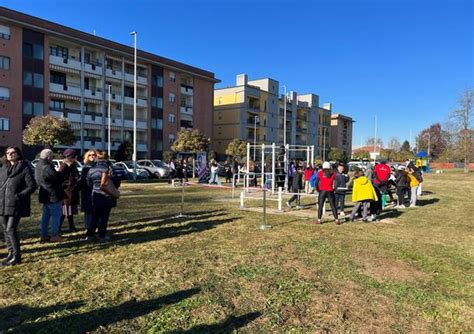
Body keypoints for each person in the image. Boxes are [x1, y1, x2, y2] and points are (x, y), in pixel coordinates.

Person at [0, 147, 36, 266]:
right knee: (5, 230)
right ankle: (10, 254)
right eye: (8, 153)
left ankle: (17, 256)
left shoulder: (24, 168)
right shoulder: (3, 168)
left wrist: (19, 196)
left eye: (13, 153)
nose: (10, 155)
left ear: (18, 154)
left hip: (16, 204)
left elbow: (31, 186)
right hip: (2, 204)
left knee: (11, 229)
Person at [85, 151, 120, 242]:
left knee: (95, 216)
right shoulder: (109, 168)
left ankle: (90, 235)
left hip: (95, 194)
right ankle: (102, 235)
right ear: (107, 158)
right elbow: (116, 181)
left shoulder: (92, 169)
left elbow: (88, 182)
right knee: (104, 217)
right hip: (107, 194)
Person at [35, 149, 65, 243]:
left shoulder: (38, 165)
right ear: (48, 157)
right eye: (52, 157)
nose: (52, 159)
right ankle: (54, 235)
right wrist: (62, 169)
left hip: (44, 194)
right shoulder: (47, 167)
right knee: (56, 216)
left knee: (45, 216)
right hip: (52, 194)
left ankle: (44, 235)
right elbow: (57, 177)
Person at [58, 149, 79, 232]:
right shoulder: (64, 165)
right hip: (67, 191)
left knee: (69, 210)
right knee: (65, 210)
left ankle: (71, 226)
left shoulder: (72, 165)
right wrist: (68, 183)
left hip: (71, 190)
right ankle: (58, 227)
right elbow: (59, 176)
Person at [80, 149, 97, 229]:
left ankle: (95, 227)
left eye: (93, 155)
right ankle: (88, 228)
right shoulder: (86, 167)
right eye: (89, 155)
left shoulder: (97, 165)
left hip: (96, 191)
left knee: (96, 211)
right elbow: (84, 181)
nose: (92, 156)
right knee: (88, 211)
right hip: (87, 191)